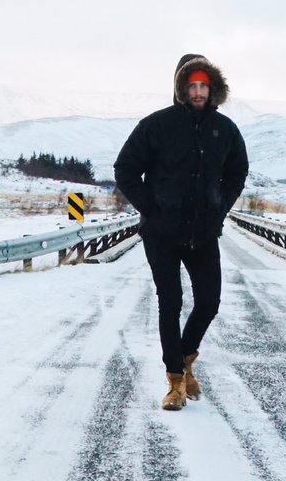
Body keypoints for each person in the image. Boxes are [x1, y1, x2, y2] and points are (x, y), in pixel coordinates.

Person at [113, 53, 249, 411]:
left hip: (204, 232)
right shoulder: (156, 126)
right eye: (193, 85)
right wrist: (152, 208)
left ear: (213, 88)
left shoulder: (226, 130)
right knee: (169, 302)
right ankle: (175, 381)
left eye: (205, 85)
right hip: (162, 233)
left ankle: (186, 360)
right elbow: (125, 169)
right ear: (181, 88)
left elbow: (238, 172)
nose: (199, 91)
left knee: (209, 302)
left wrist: (220, 206)